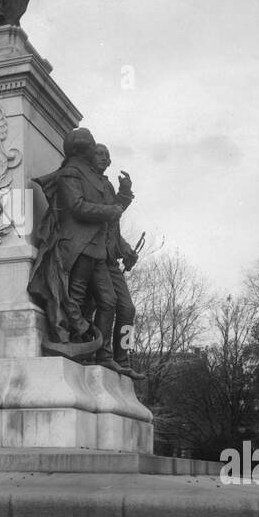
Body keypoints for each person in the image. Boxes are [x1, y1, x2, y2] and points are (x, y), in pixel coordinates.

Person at [28, 128, 130, 371]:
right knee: (77, 296)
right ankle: (76, 342)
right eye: (96, 150)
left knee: (112, 303)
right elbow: (77, 206)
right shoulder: (71, 173)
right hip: (79, 245)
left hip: (98, 250)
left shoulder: (95, 180)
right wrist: (112, 210)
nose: (102, 156)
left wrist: (124, 194)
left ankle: (110, 355)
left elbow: (111, 215)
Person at [90, 144, 144, 380]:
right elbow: (104, 216)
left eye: (107, 156)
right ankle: (103, 354)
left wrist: (126, 249)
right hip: (95, 258)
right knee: (108, 303)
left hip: (110, 260)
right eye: (99, 154)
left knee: (128, 309)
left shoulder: (106, 185)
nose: (104, 159)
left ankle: (123, 358)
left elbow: (113, 224)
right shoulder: (90, 184)